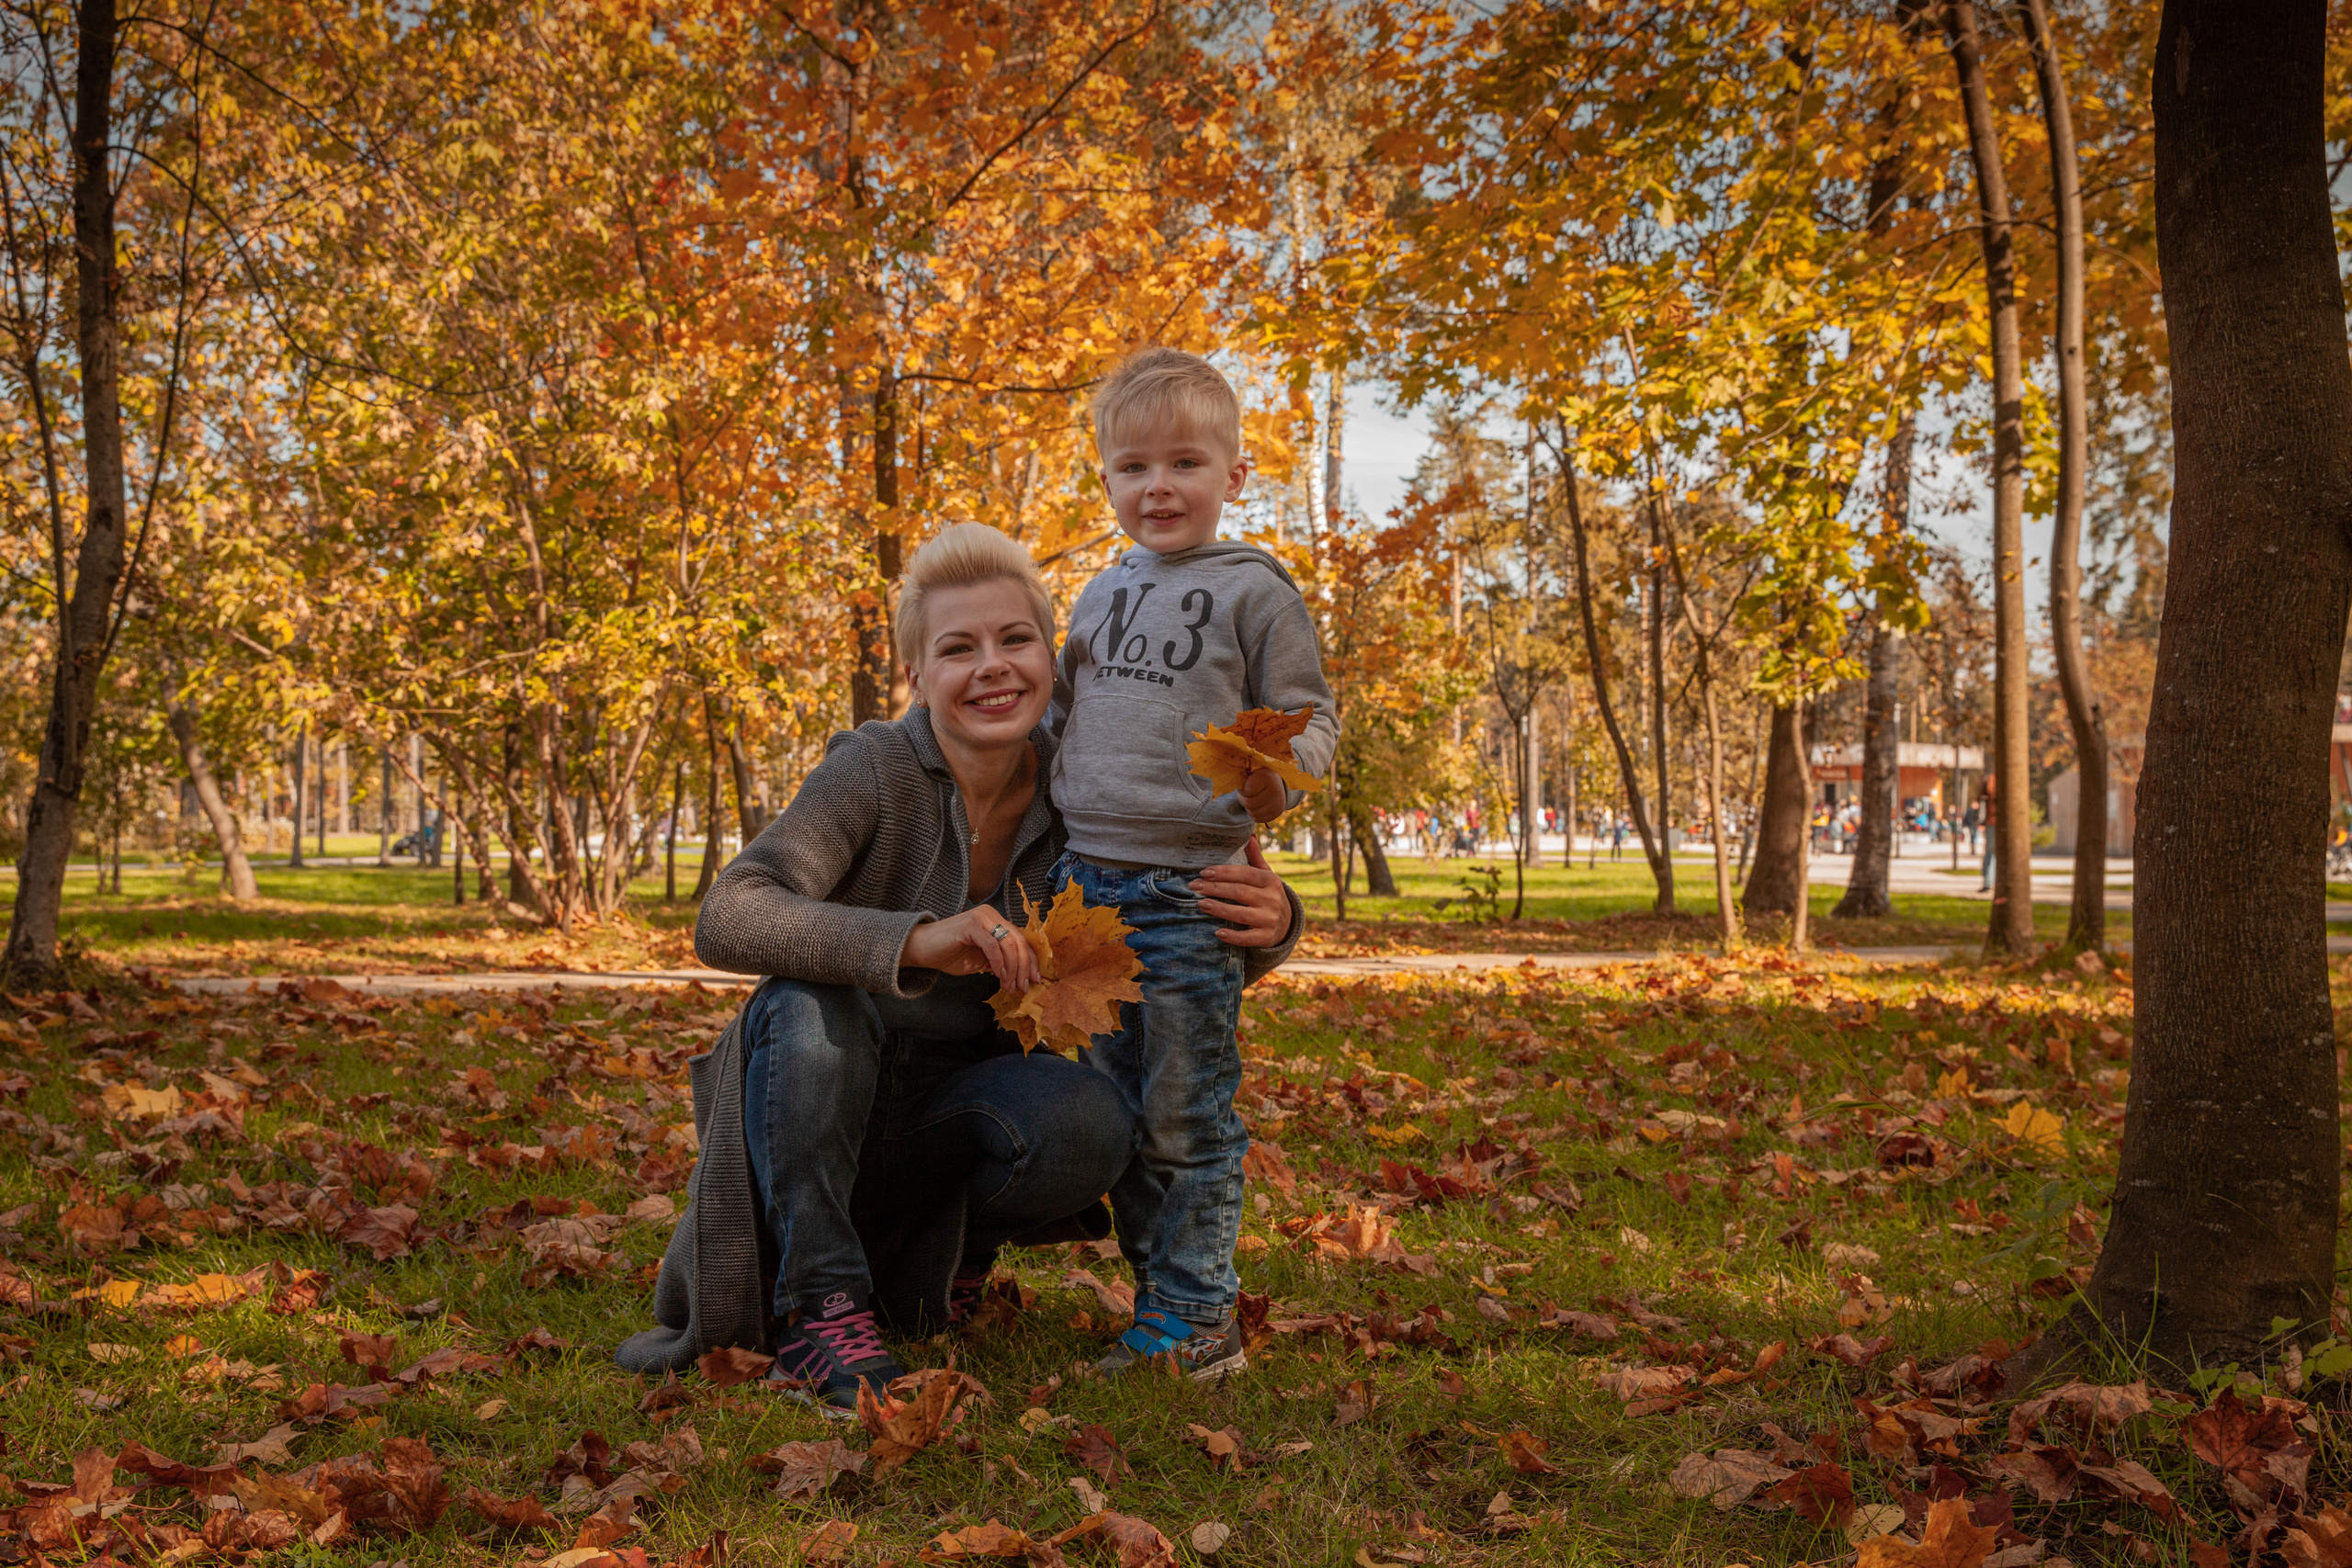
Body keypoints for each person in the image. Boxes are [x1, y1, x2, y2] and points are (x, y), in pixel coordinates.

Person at [614, 523, 1303, 1410]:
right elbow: (730, 911)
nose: (993, 666)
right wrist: (909, 940)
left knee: (1092, 1115)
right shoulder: (875, 772)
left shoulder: (1085, 790)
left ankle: (933, 1262)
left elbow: (1151, 958)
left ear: (1053, 662)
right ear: (917, 676)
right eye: (958, 648)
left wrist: (1279, 923)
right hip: (807, 1110)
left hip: (949, 1119)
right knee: (807, 1003)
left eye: (1016, 639)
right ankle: (820, 1305)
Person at [1049, 348, 1338, 1381]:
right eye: (1132, 468)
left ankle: (1199, 1316)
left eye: (1183, 464)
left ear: (1232, 476)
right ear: (1107, 481)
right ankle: (1159, 1306)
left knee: (1183, 1112)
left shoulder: (1252, 591)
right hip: (1082, 890)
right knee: (1116, 1116)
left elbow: (1310, 718)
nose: (1157, 487)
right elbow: (1059, 721)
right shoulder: (1094, 594)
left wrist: (1274, 779)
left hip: (1183, 895)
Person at [1978, 774, 1998, 893]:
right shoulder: (1993, 781)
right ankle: (1989, 882)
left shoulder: (1990, 782)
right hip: (1993, 822)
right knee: (1991, 853)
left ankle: (1988, 882)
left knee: (1990, 853)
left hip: (1992, 822)